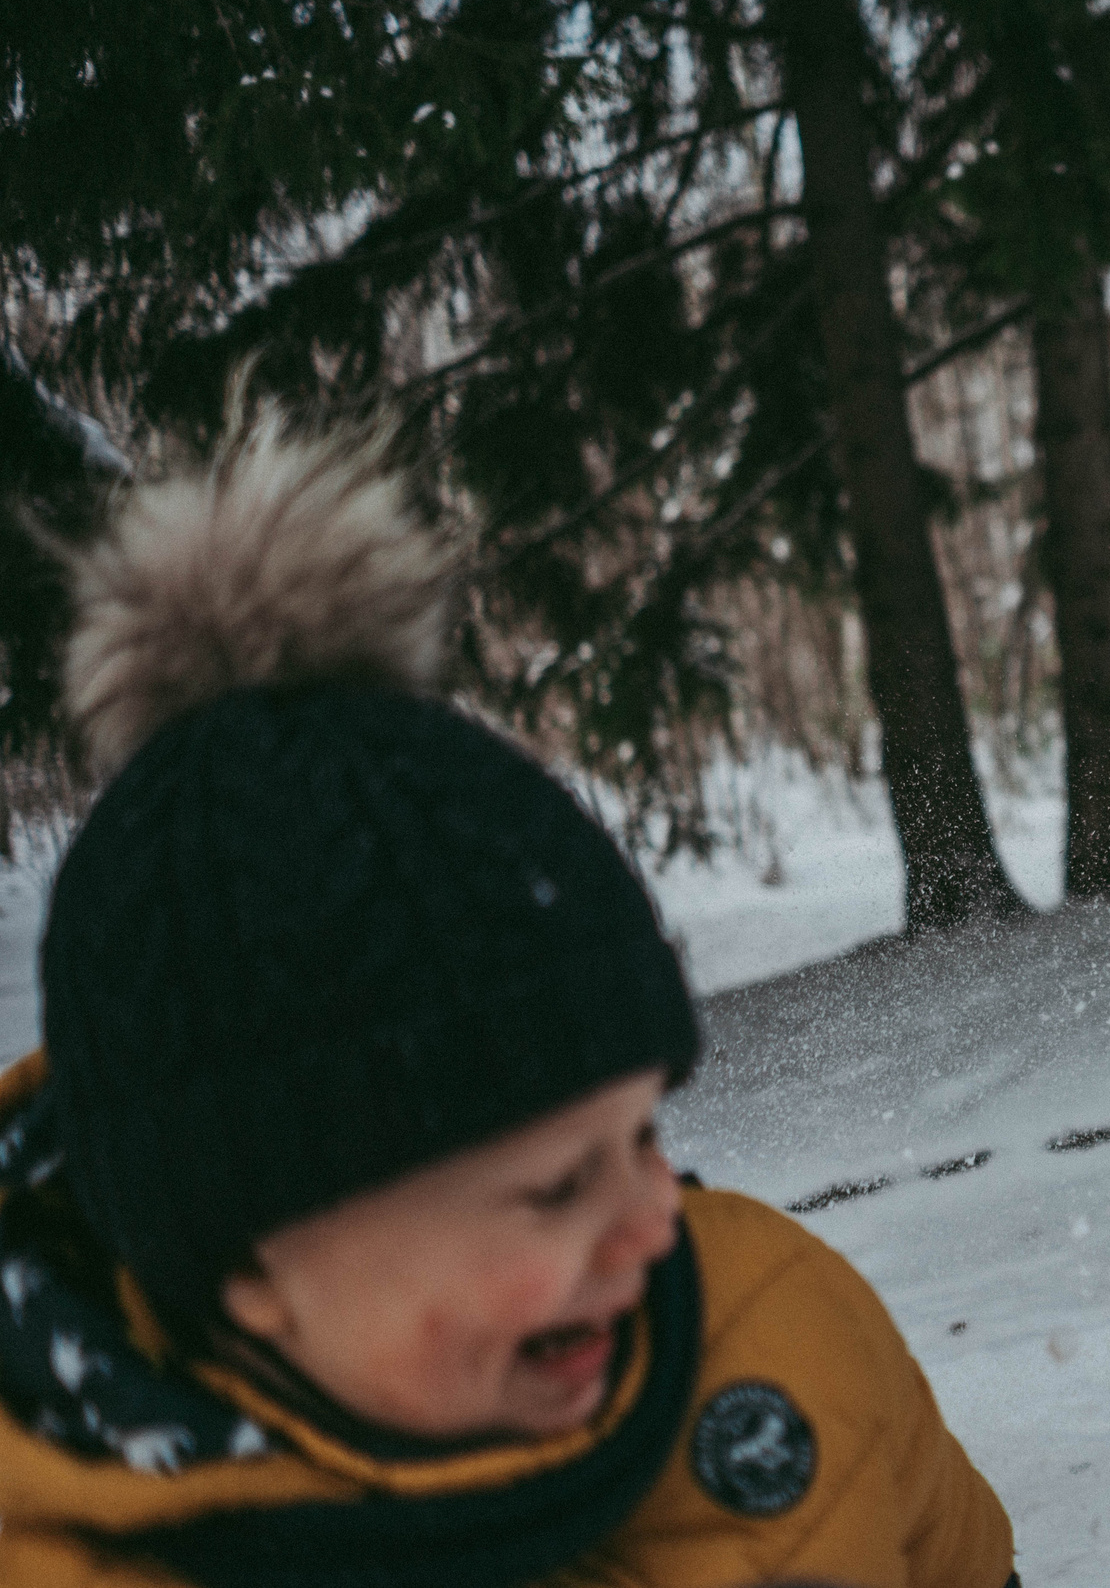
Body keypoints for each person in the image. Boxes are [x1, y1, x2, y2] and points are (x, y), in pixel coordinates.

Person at [0, 399, 1019, 1588]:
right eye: (552, 1189)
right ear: (249, 1268)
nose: (654, 1225)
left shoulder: (777, 1342)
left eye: (640, 1135)